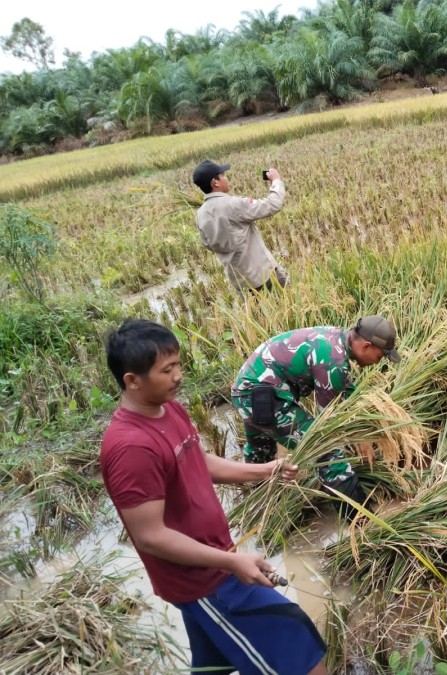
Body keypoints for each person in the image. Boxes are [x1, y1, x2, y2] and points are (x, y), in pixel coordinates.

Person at [100, 318, 327, 675]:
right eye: (167, 369)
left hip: (217, 559)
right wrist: (233, 563)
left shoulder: (168, 408)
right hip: (204, 581)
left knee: (213, 666)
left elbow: (199, 462)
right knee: (297, 644)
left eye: (178, 364)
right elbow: (150, 536)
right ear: (132, 380)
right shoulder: (131, 447)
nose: (178, 375)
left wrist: (265, 471)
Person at [231, 315, 401, 507]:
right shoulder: (333, 362)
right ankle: (359, 518)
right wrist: (358, 439)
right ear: (366, 346)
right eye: (380, 356)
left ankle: (259, 502)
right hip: (260, 397)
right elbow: (326, 424)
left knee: (260, 448)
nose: (378, 362)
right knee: (326, 451)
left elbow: (344, 390)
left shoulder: (335, 338)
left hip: (249, 390)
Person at [192, 159, 288, 293]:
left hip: (239, 281)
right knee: (288, 302)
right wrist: (276, 181)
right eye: (223, 175)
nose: (226, 178)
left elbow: (207, 243)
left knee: (257, 312)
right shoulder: (233, 204)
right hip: (263, 276)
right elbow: (272, 205)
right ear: (215, 182)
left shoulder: (200, 214)